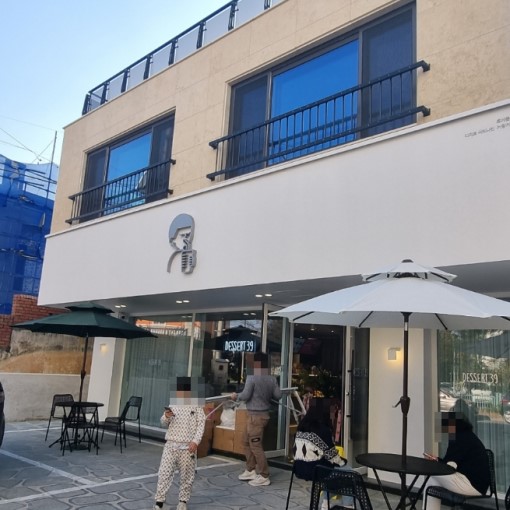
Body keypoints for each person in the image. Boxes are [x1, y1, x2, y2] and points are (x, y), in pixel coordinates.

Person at [153, 376, 206, 510]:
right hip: (171, 444)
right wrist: (166, 416)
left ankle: (183, 502)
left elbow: (201, 424)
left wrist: (195, 441)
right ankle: (159, 502)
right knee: (164, 473)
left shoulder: (197, 405)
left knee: (187, 476)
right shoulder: (173, 404)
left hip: (188, 447)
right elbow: (163, 422)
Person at [231, 351, 282, 486]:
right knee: (245, 441)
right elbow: (278, 395)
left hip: (256, 418)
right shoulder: (272, 378)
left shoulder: (252, 377)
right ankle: (250, 469)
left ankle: (264, 475)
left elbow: (245, 395)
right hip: (261, 416)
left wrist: (236, 396)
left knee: (255, 446)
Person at [422, 411, 490, 510]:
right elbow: (453, 462)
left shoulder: (459, 438)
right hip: (477, 483)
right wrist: (437, 460)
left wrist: (435, 463)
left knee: (432, 473)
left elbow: (449, 467)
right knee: (432, 480)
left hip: (472, 485)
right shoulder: (467, 436)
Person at [293, 405, 353, 510]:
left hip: (298, 469)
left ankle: (326, 503)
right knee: (348, 472)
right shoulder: (323, 430)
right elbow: (331, 455)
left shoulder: (300, 429)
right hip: (315, 470)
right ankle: (347, 505)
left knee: (329, 471)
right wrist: (343, 462)